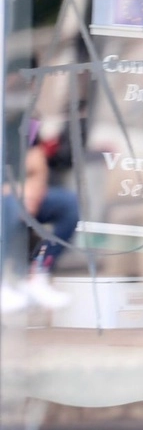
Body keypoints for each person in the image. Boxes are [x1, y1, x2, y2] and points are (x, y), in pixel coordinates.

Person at [1, 125, 78, 312]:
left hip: (20, 192)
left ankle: (38, 275)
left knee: (69, 205)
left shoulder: (18, 120)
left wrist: (32, 194)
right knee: (9, 204)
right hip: (8, 196)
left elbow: (37, 160)